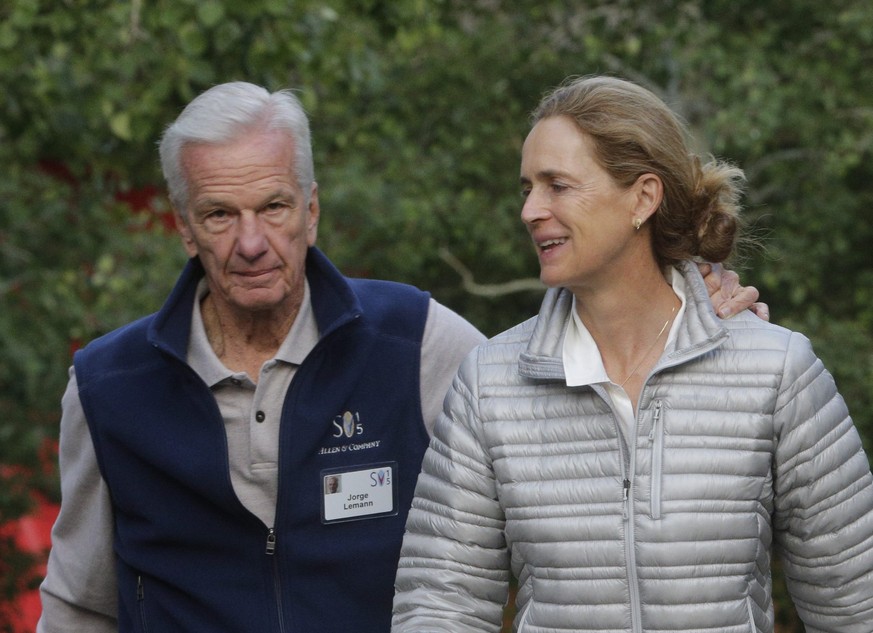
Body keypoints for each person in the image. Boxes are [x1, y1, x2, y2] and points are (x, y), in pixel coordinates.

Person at [36, 81, 762, 633]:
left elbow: (578, 430)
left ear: (313, 208)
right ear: (184, 227)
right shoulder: (108, 385)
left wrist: (691, 319)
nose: (250, 242)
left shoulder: (415, 340)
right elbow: (78, 604)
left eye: (275, 207)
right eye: (221, 215)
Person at [391, 76, 873, 632]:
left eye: (557, 185)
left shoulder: (776, 371)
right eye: (527, 188)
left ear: (643, 197)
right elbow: (439, 607)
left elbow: (854, 606)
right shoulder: (489, 383)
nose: (530, 210)